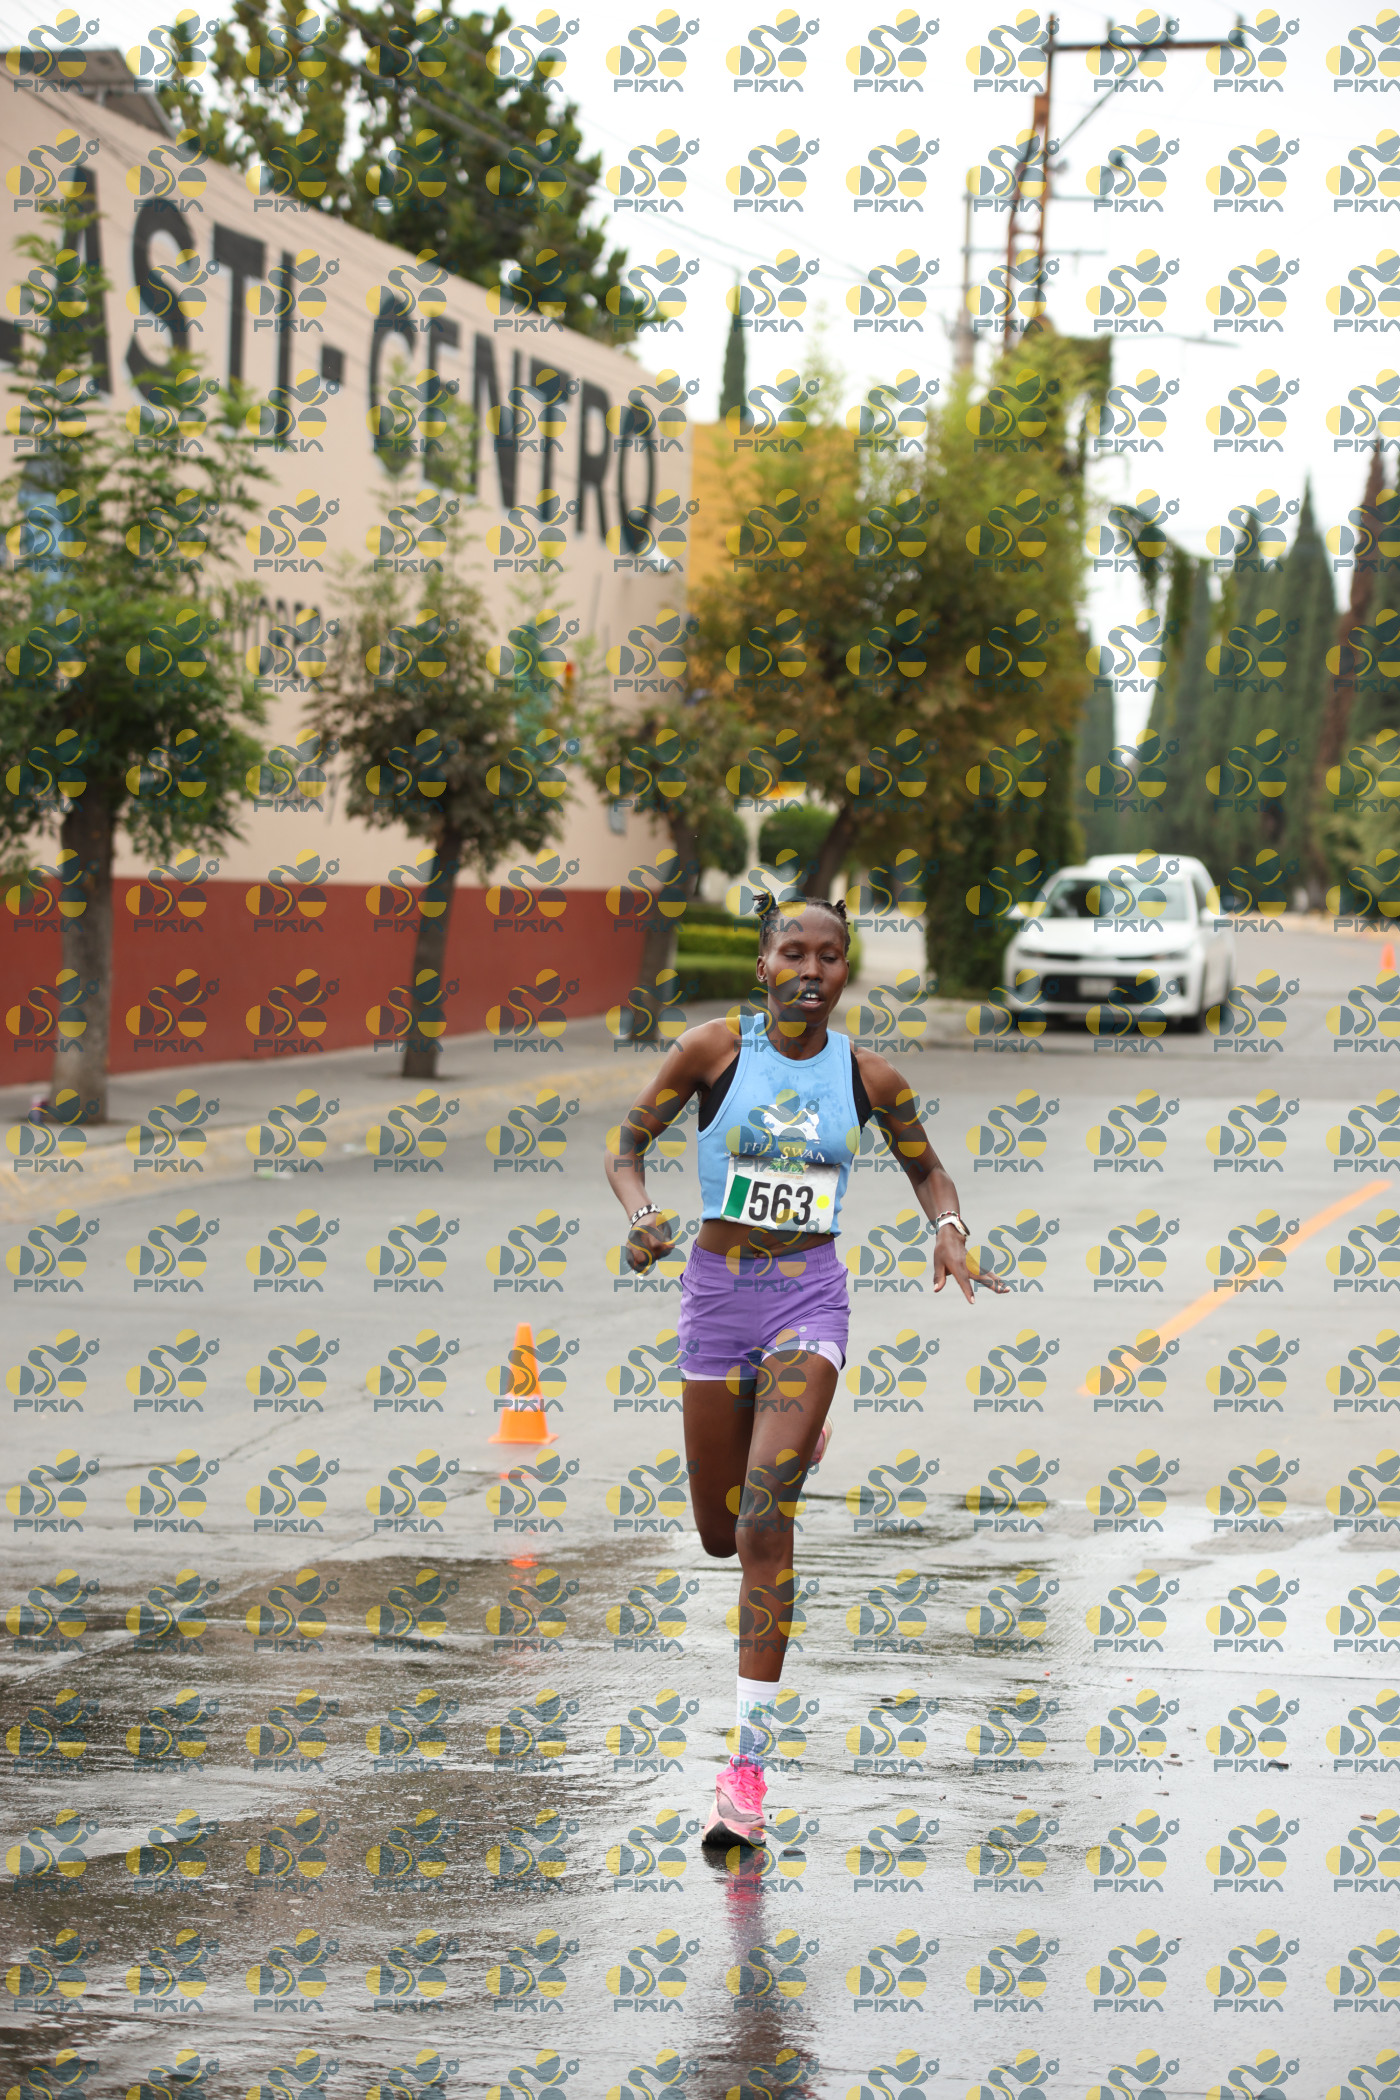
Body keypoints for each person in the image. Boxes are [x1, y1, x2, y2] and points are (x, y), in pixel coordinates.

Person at [605, 894, 1007, 1848]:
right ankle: (794, 1431)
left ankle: (744, 1776)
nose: (812, 970)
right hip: (717, 1301)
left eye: (830, 956)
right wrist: (643, 1218)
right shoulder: (712, 1052)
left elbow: (927, 1169)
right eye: (794, 952)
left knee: (760, 1524)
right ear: (764, 966)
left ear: (844, 971)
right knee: (717, 1534)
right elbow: (627, 1148)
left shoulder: (869, 1076)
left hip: (807, 1301)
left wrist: (949, 1228)